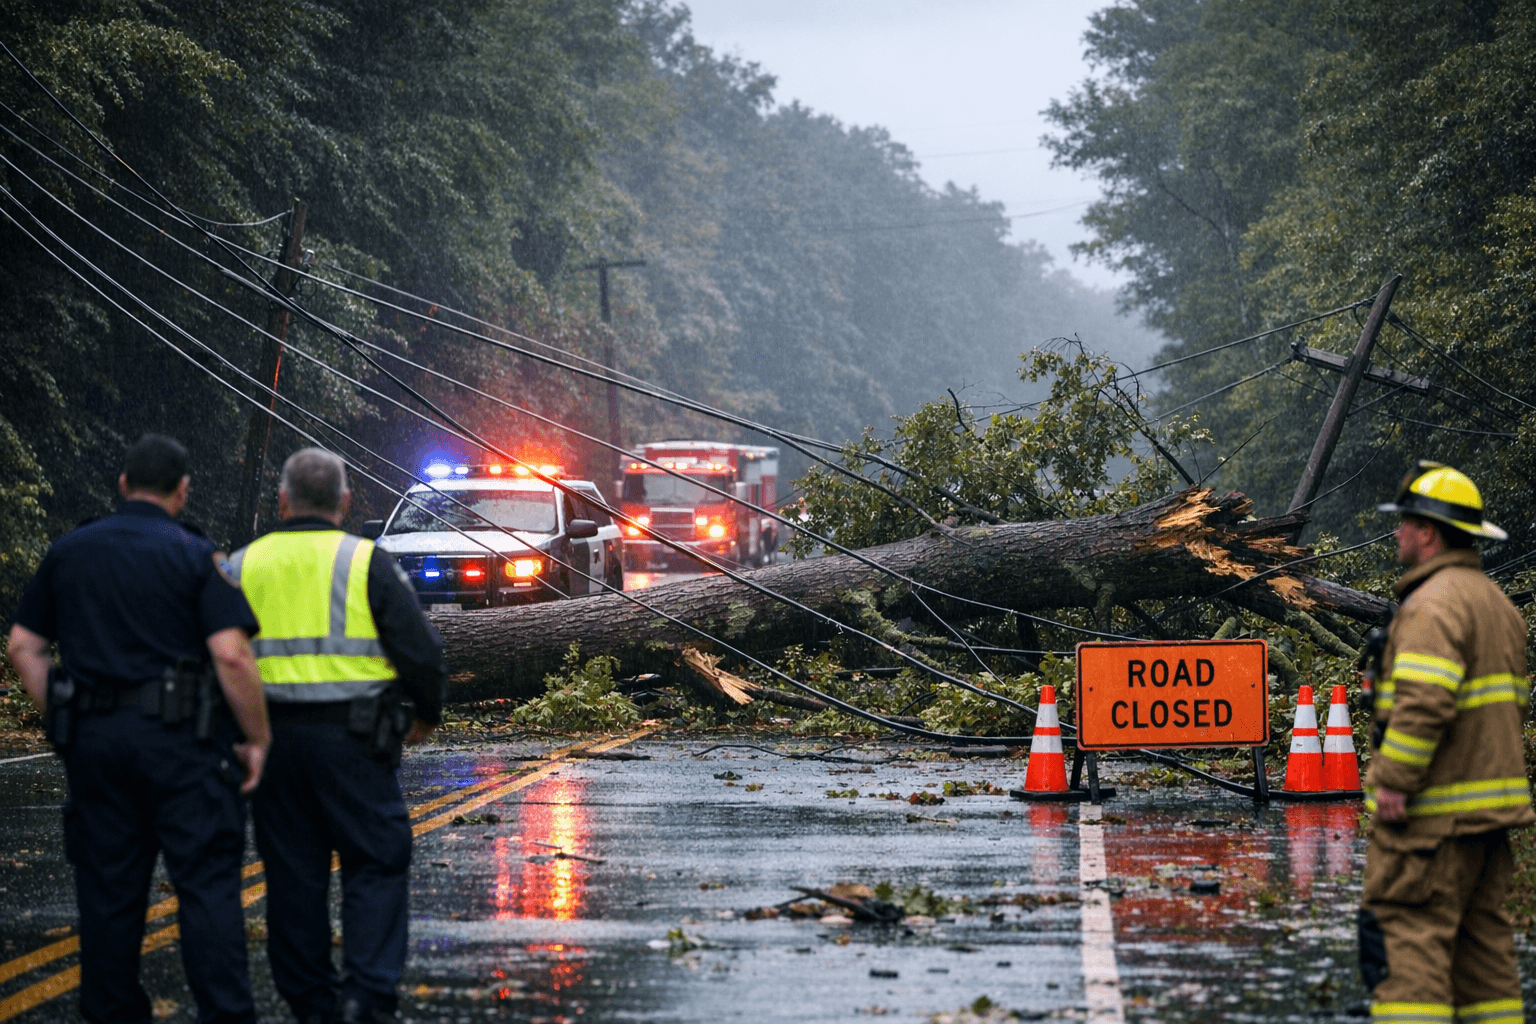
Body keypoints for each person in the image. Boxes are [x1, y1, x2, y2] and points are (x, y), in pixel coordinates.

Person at [5, 434, 271, 1024]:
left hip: (96, 744)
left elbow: (24, 646)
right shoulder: (197, 555)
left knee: (108, 896)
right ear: (182, 490)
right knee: (205, 890)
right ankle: (226, 1013)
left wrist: (65, 716)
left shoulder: (69, 551)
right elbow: (231, 655)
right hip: (184, 747)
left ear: (123, 484)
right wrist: (257, 738)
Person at [228, 448, 446, 1024]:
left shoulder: (240, 566)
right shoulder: (365, 563)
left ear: (282, 499)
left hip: (269, 743)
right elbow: (421, 648)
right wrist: (426, 712)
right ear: (346, 503)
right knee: (374, 862)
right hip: (355, 743)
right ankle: (365, 997)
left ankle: (311, 1002)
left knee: (292, 873)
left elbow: (213, 656)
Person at [1360, 461, 1532, 1024]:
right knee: (1483, 953)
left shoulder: (1432, 606)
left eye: (1405, 522)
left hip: (1432, 822)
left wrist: (1392, 782)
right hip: (1489, 818)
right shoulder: (1497, 605)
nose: (1397, 533)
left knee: (1410, 946)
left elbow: (1424, 703)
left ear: (1428, 532)